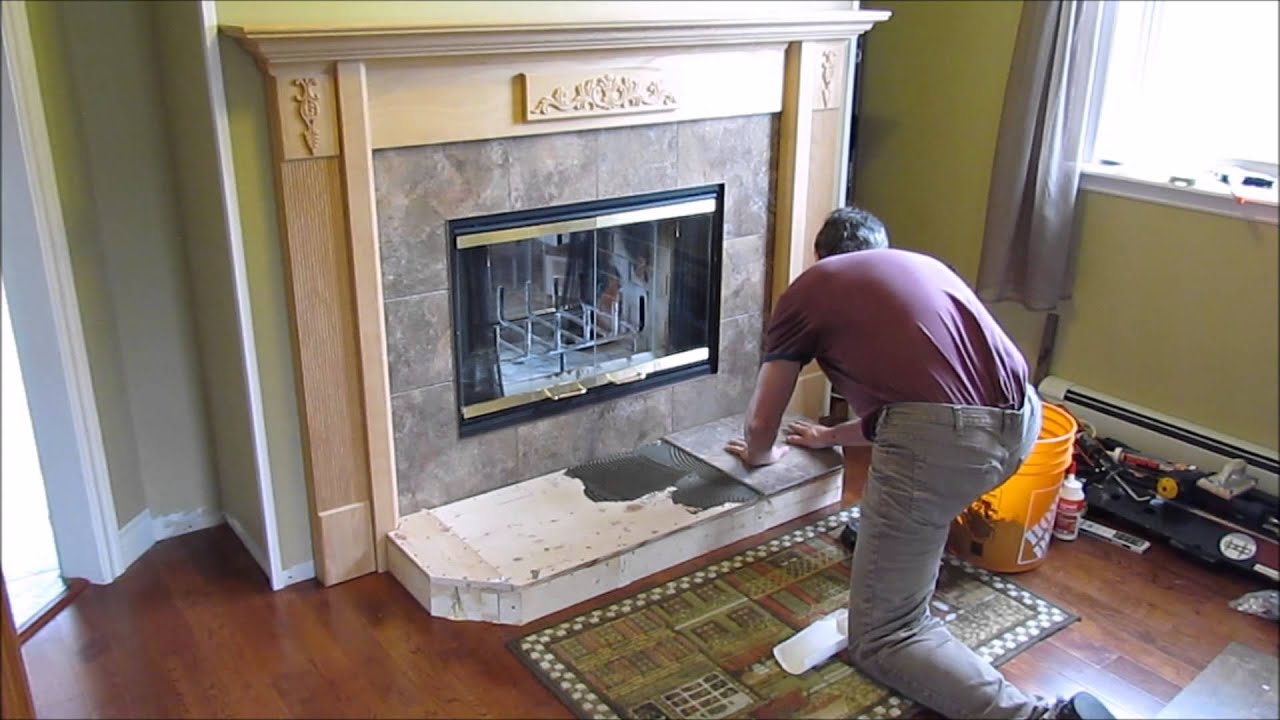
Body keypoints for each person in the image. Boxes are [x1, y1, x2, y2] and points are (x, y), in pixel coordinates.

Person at [725, 207, 1114, 720]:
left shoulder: (812, 287)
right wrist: (829, 435)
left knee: (884, 635)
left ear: (821, 255)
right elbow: (924, 404)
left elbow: (761, 425)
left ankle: (1035, 716)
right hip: (1022, 425)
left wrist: (762, 454)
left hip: (945, 447)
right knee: (902, 506)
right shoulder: (921, 268)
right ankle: (894, 536)